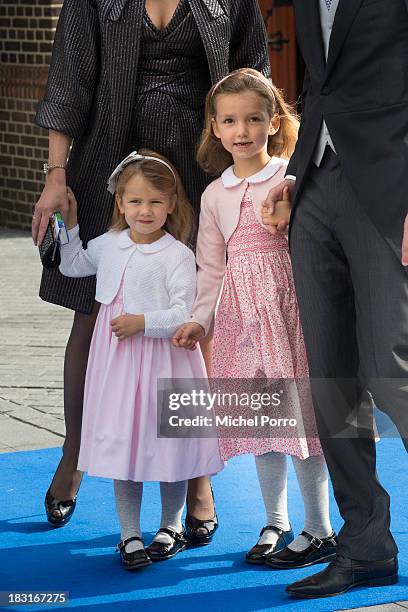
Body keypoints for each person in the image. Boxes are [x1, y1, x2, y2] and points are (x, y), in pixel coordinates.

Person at [32, 0, 269, 535]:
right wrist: (56, 174)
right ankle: (74, 456)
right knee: (92, 316)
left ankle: (197, 479)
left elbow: (255, 81)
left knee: (195, 321)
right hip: (110, 171)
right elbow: (68, 84)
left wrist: (258, 177)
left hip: (200, 168)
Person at [262, 0, 408, 599]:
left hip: (391, 187)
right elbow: (324, 87)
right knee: (331, 381)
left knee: (390, 369)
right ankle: (366, 545)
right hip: (316, 188)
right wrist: (297, 173)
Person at [173, 69, 336, 570]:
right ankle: (276, 521)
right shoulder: (214, 193)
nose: (241, 130)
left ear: (273, 122)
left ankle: (320, 528)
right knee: (265, 422)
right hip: (244, 321)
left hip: (290, 314)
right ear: (215, 128)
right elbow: (211, 264)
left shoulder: (290, 177)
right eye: (230, 121)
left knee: (303, 422)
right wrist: (202, 319)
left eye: (253, 119)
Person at [58, 150, 224, 569]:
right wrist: (67, 224)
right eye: (135, 201)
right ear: (120, 203)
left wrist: (142, 322)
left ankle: (170, 527)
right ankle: (129, 534)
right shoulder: (109, 245)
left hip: (166, 364)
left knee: (169, 448)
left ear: (171, 204)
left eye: (154, 201)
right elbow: (74, 264)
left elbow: (183, 312)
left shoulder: (178, 256)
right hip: (117, 369)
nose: (144, 210)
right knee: (124, 444)